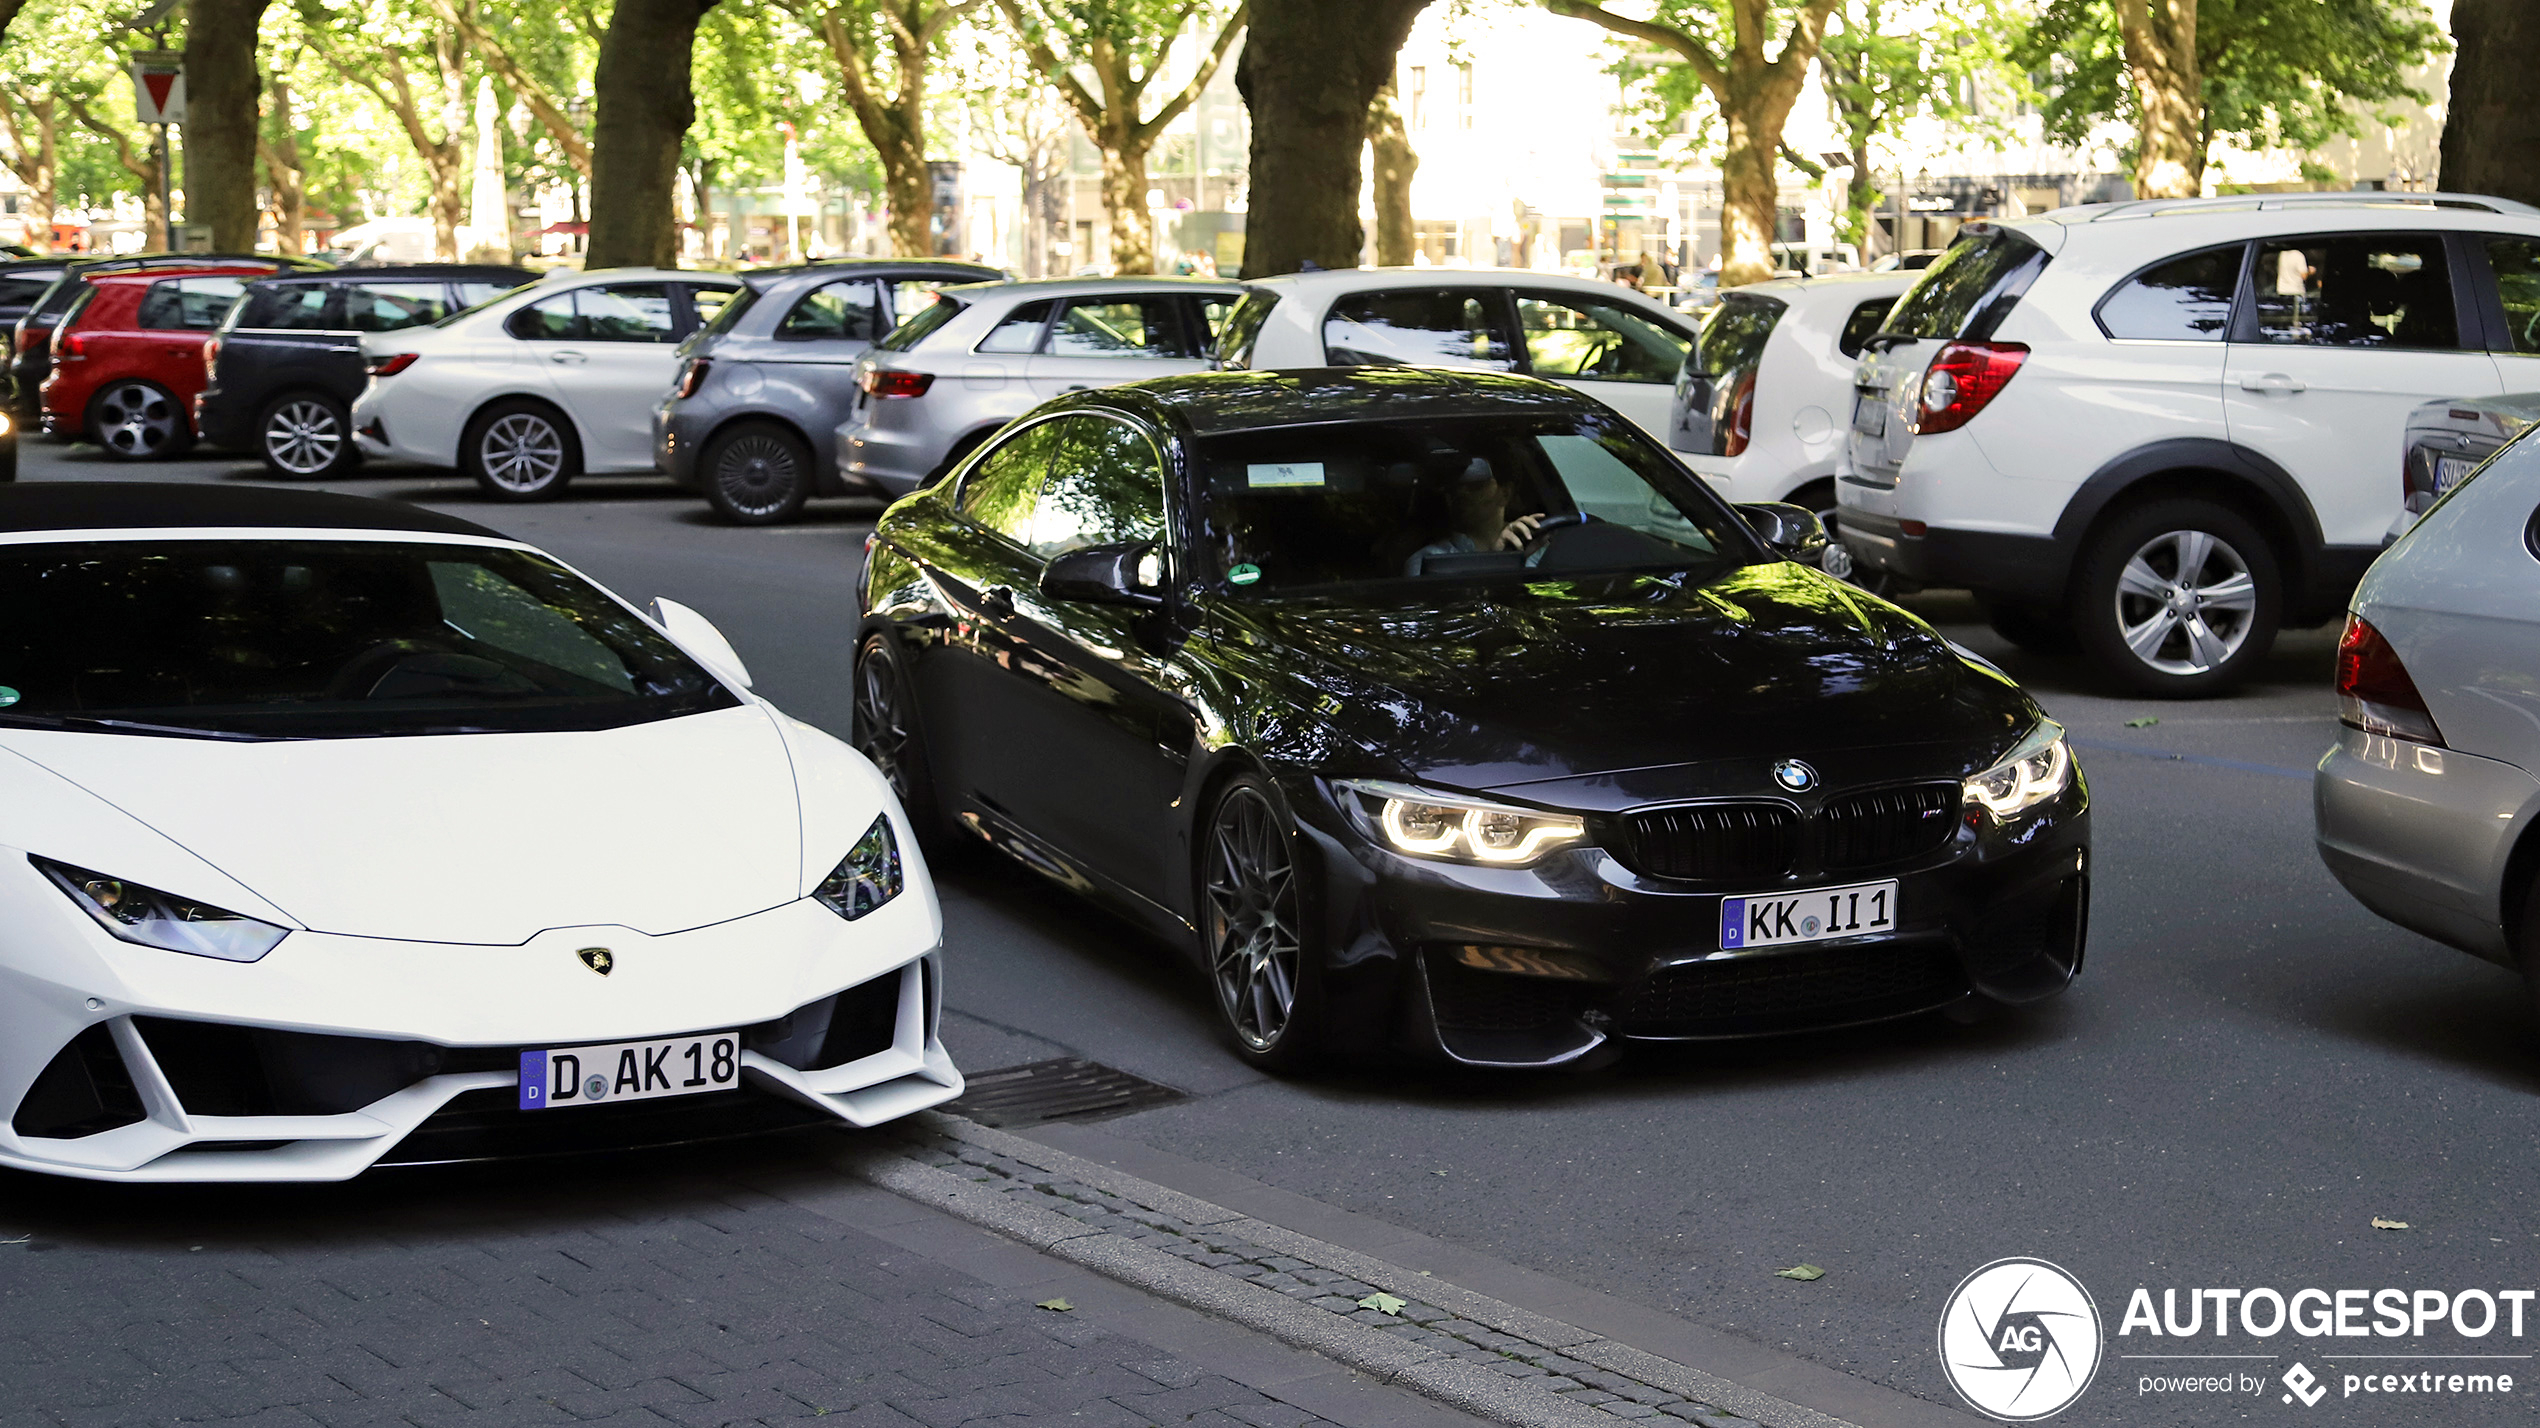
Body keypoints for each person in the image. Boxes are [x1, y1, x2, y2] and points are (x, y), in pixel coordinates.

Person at [1403, 458, 1545, 575]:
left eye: (1476, 483)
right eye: (1454, 485)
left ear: (1505, 494)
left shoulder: (1536, 548)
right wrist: (1496, 559)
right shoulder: (1426, 560)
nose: (1462, 492)